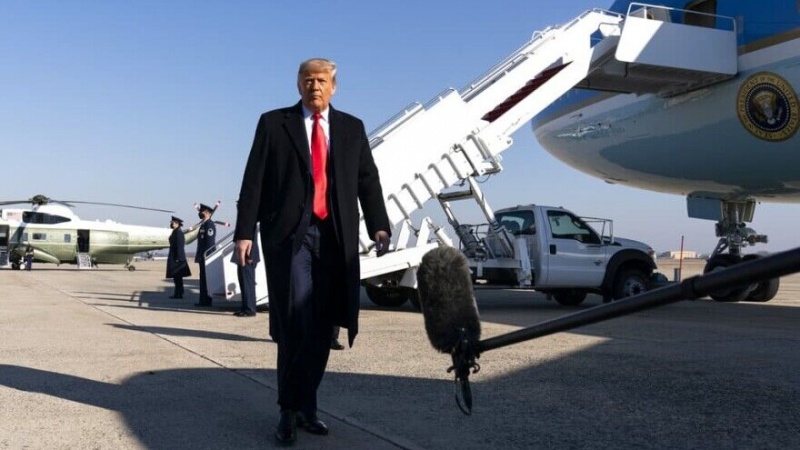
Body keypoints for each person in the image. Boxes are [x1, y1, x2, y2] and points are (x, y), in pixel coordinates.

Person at [233, 57, 391, 446]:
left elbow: (368, 180)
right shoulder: (274, 123)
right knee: (295, 321)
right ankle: (288, 410)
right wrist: (244, 231)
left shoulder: (351, 128)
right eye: (307, 80)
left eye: (321, 80)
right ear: (298, 85)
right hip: (290, 237)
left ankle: (307, 406)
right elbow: (254, 178)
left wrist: (379, 224)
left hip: (335, 237)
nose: (314, 86)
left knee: (324, 325)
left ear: (333, 87)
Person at [231, 226, 260, 317]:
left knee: (248, 285)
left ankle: (250, 309)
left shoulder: (249, 227)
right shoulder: (245, 227)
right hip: (242, 257)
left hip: (247, 258)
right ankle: (245, 308)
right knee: (243, 284)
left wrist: (250, 256)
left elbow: (252, 241)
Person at [194, 203, 217, 307]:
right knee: (203, 279)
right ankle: (203, 300)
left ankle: (206, 301)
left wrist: (207, 256)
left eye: (201, 212)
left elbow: (209, 243)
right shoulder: (204, 224)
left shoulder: (209, 225)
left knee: (206, 279)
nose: (200, 213)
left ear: (207, 213)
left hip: (206, 256)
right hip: (202, 255)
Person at [166, 216, 191, 299]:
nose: (171, 224)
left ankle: (179, 293)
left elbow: (180, 246)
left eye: (173, 223)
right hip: (174, 257)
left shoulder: (178, 233)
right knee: (176, 277)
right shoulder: (175, 232)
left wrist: (178, 258)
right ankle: (178, 293)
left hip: (177, 258)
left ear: (177, 223)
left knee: (178, 277)